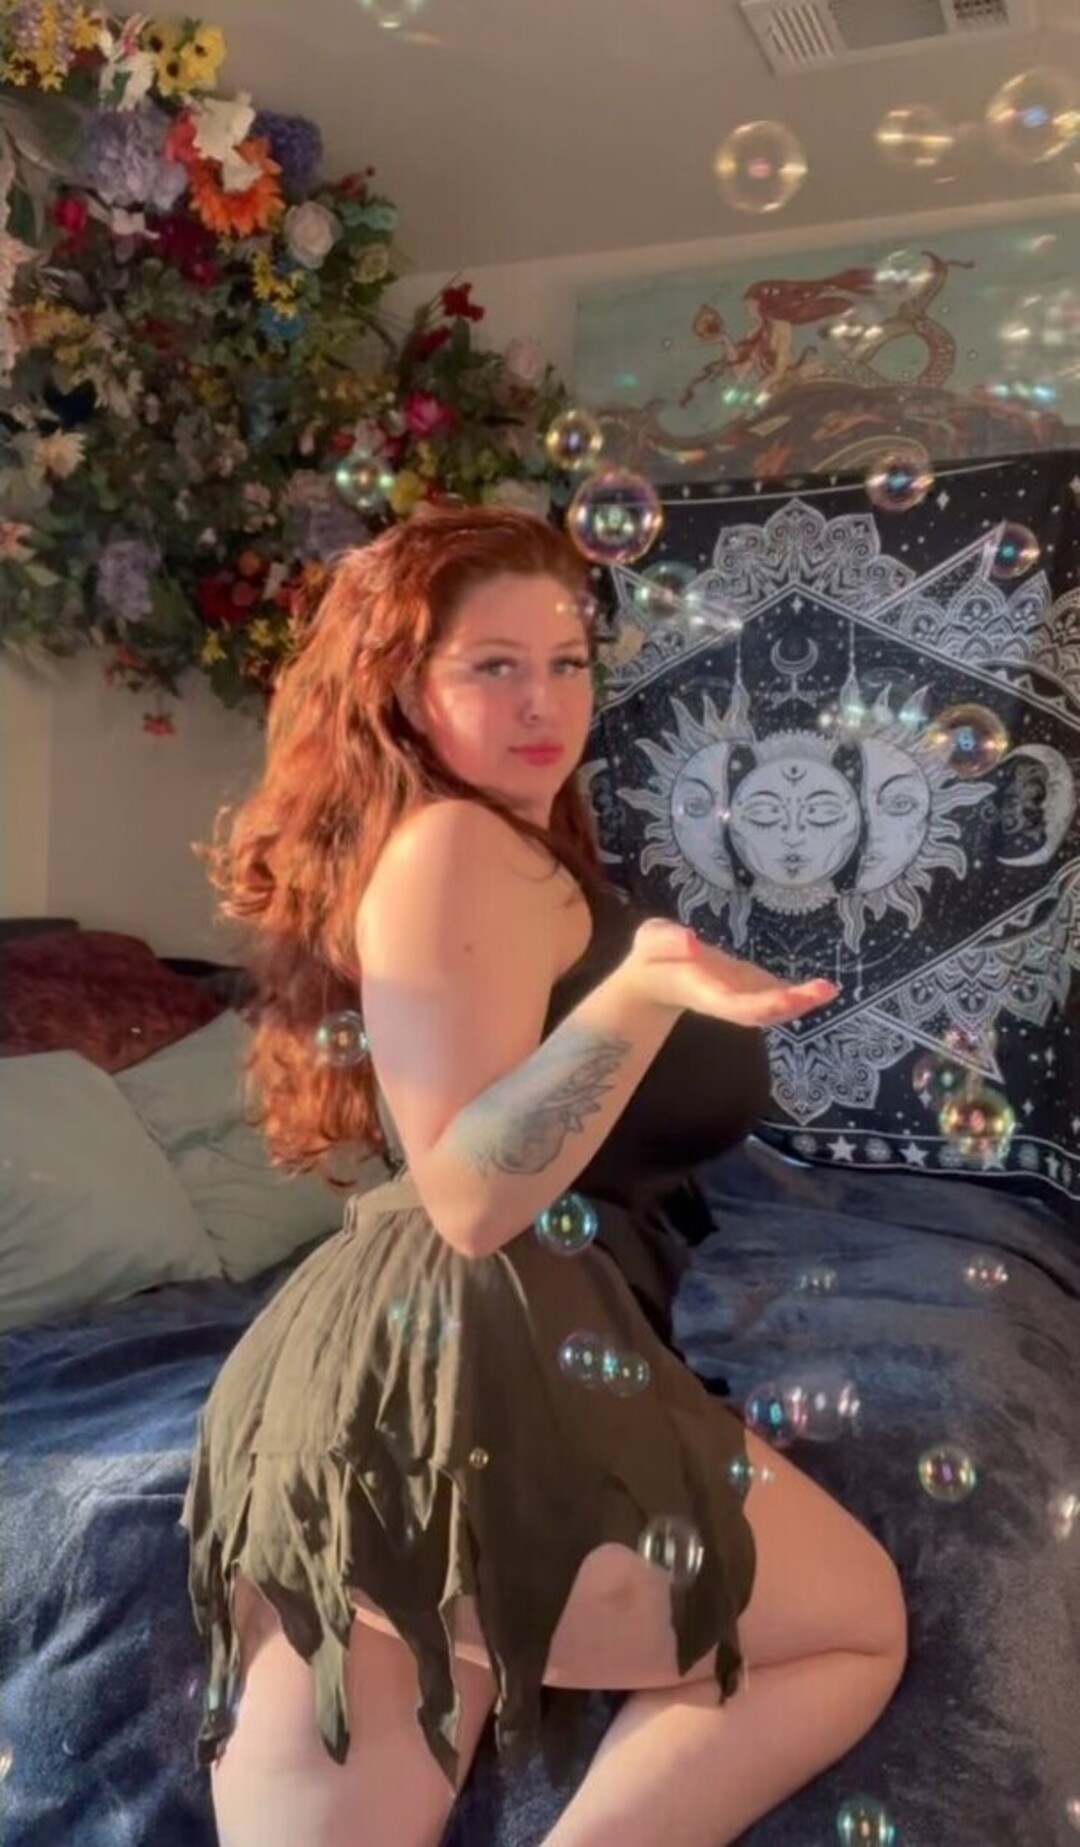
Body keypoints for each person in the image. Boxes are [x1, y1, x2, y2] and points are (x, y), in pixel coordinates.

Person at [181, 505, 908, 1847]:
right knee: (852, 1624)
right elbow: (469, 1195)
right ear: (405, 690)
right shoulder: (453, 847)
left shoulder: (494, 849)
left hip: (420, 1375)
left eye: (567, 662)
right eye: (493, 666)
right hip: (471, 1367)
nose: (544, 701)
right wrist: (638, 995)